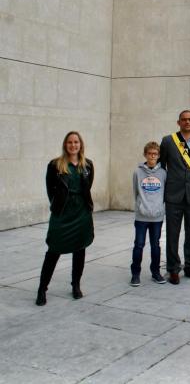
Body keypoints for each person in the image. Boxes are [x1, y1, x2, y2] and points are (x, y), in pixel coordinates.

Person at [36, 131, 94, 306]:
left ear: (80, 144)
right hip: (62, 213)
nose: (73, 145)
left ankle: (76, 285)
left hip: (82, 213)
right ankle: (42, 289)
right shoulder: (55, 165)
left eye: (76, 142)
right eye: (70, 142)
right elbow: (50, 190)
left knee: (80, 249)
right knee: (53, 250)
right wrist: (58, 205)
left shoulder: (88, 165)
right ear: (65, 145)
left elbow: (87, 187)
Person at [160, 110, 190, 285]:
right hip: (173, 195)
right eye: (184, 120)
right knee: (172, 234)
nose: (187, 122)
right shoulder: (168, 141)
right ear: (178, 122)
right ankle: (173, 269)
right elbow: (162, 166)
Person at [130, 141, 167, 286]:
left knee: (155, 245)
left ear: (158, 156)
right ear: (145, 154)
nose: (152, 156)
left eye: (155, 154)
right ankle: (135, 274)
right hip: (141, 216)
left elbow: (164, 193)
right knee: (139, 245)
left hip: (157, 217)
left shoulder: (163, 173)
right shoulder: (137, 172)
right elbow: (135, 192)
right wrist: (141, 206)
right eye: (150, 153)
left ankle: (156, 273)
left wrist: (158, 207)